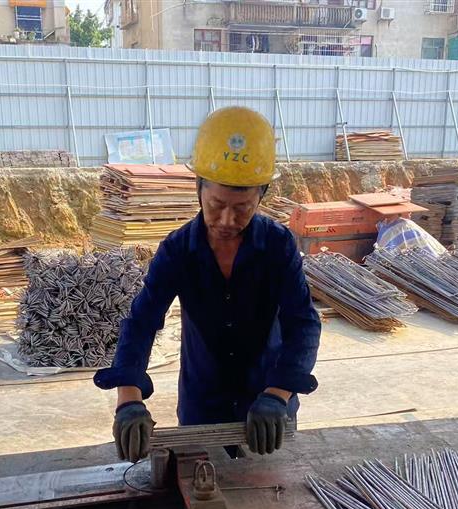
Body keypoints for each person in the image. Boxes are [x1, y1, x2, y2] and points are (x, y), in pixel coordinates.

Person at [94, 106, 321, 462]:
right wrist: (128, 399)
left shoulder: (278, 247)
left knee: (270, 488)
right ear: (198, 187)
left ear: (262, 196)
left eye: (243, 208)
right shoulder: (177, 251)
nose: (227, 220)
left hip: (268, 408)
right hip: (202, 404)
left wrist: (278, 394)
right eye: (216, 205)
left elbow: (303, 323)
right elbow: (141, 322)